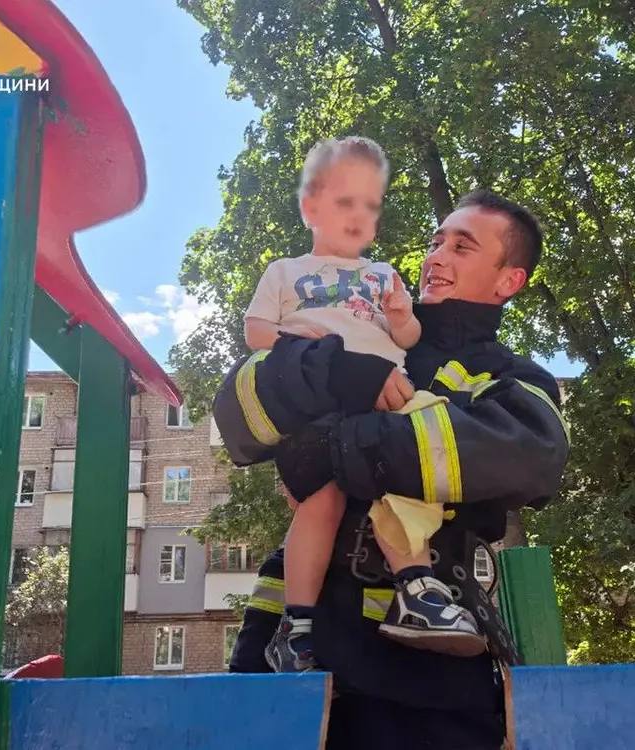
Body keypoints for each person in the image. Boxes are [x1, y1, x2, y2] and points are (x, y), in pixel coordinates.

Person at [213, 189, 570, 748]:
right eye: (436, 242)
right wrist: (332, 370)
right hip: (287, 645)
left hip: (426, 670)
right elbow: (237, 416)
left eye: (462, 247)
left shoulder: (511, 377)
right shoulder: (359, 331)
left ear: (508, 280)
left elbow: (531, 455)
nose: (436, 256)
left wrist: (341, 447)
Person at [242, 136, 485, 673]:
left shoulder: (382, 275)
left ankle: (417, 588)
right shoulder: (284, 271)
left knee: (407, 476)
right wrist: (300, 345)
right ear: (310, 207)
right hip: (321, 410)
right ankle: (296, 625)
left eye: (370, 205)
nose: (358, 216)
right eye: (344, 201)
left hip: (388, 404)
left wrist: (400, 315)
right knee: (321, 502)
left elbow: (408, 338)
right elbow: (256, 333)